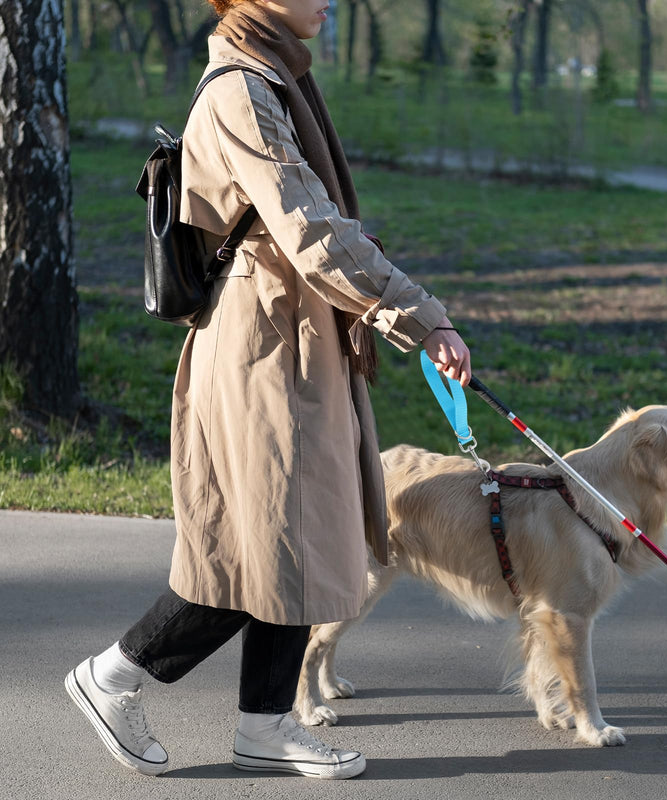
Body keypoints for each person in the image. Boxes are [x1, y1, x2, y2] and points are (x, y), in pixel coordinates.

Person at [65, 0, 471, 783]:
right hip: (264, 349)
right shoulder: (241, 90)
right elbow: (308, 227)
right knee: (257, 548)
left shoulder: (274, 75)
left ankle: (265, 724)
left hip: (291, 338)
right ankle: (114, 675)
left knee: (294, 543)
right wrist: (420, 317)